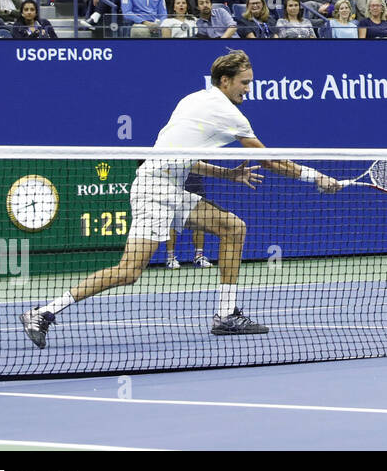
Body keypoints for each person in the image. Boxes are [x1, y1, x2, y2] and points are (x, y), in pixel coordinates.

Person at [21, 52, 343, 348]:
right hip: (153, 190)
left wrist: (227, 176)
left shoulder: (192, 100)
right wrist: (316, 178)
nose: (248, 90)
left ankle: (226, 314)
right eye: (244, 84)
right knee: (129, 271)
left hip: (169, 188)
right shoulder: (228, 113)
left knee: (234, 228)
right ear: (225, 81)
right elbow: (271, 161)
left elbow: (183, 158)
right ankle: (44, 312)